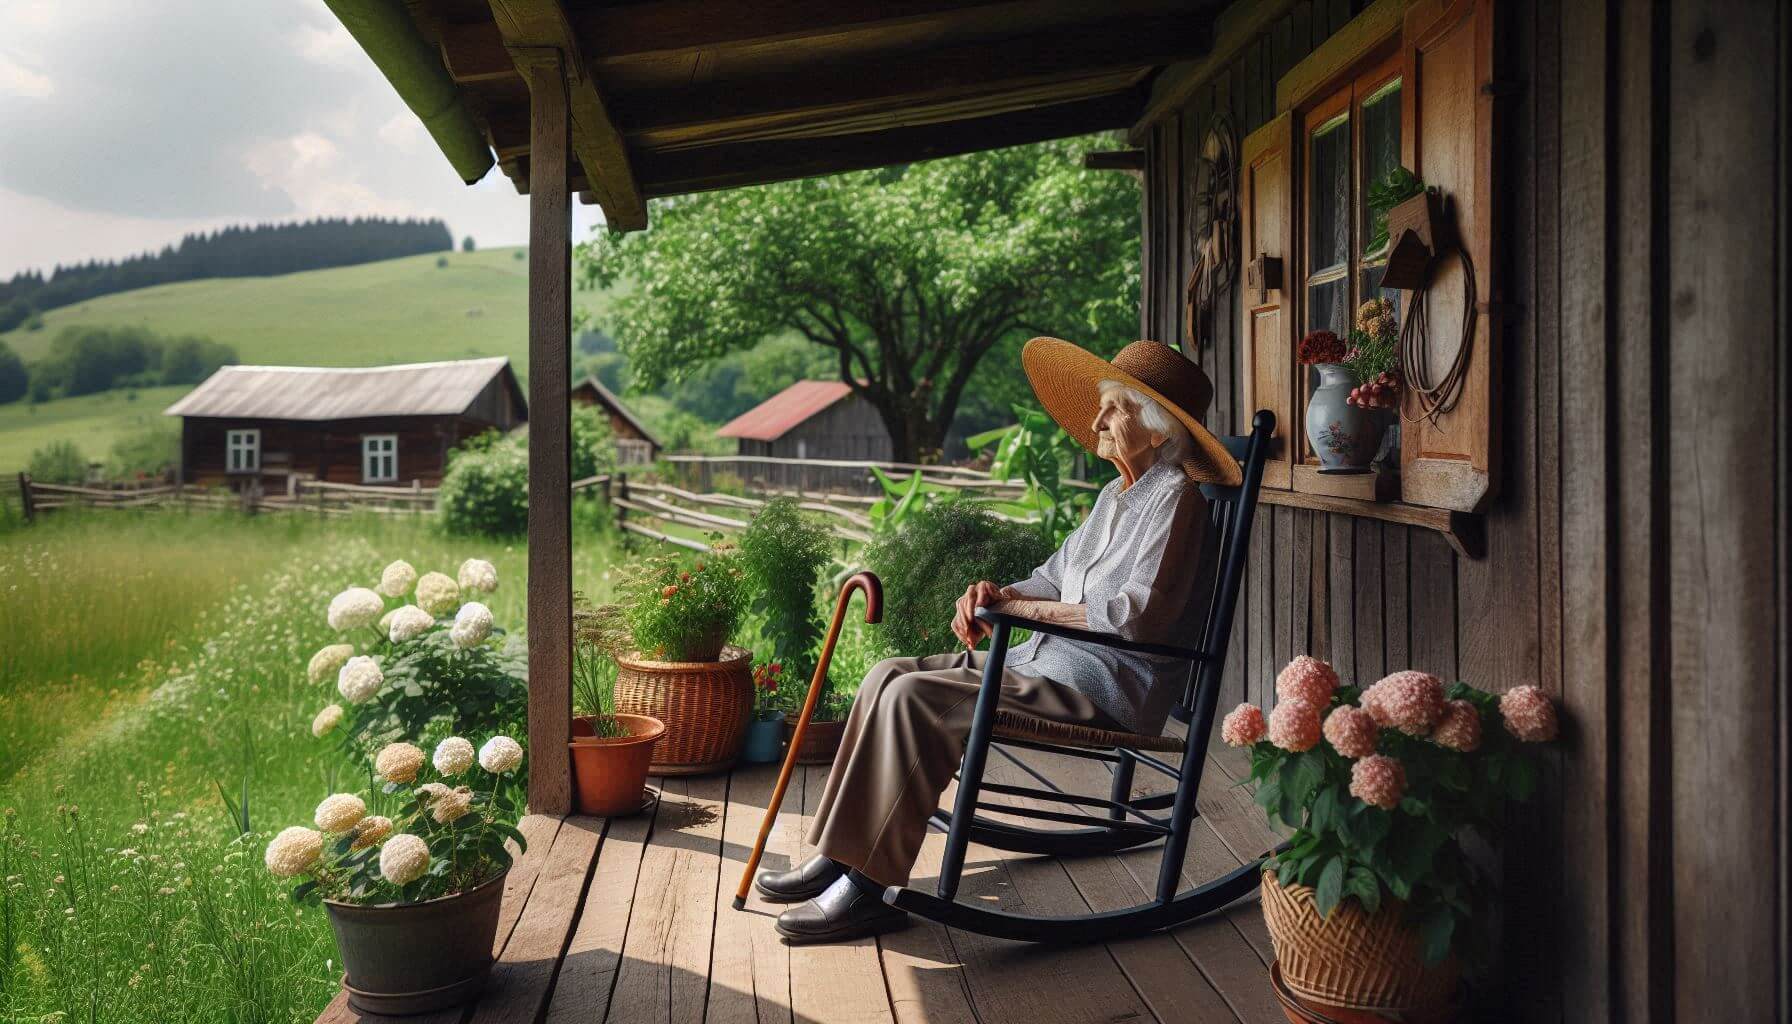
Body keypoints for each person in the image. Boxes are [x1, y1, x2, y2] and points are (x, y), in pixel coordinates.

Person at [757, 337, 1243, 944]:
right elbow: (1050, 578)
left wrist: (1025, 610)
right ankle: (843, 854)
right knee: (886, 673)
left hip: (1101, 687)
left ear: (1154, 426)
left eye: (1114, 408)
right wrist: (998, 594)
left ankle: (870, 888)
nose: (1096, 420)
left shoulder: (1177, 502)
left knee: (916, 700)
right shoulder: (1114, 498)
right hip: (1046, 663)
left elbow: (1136, 617)